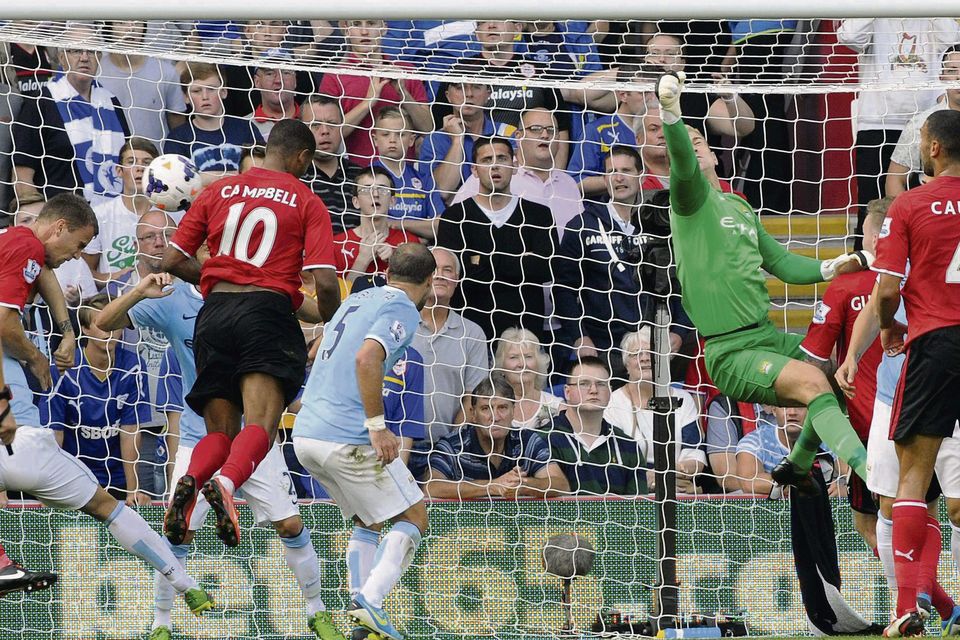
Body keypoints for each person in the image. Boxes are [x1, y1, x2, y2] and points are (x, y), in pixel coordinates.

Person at [96, 273, 346, 640]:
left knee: (290, 525)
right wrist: (137, 291)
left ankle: (316, 613)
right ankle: (160, 624)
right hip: (202, 436)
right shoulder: (173, 297)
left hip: (255, 438)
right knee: (177, 535)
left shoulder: (263, 287)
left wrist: (329, 328)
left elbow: (318, 313)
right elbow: (104, 322)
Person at [656, 72, 873, 493]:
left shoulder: (738, 205)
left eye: (700, 141)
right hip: (729, 350)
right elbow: (682, 160)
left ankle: (801, 459)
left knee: (847, 364)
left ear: (717, 156)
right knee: (813, 382)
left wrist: (832, 268)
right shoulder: (687, 202)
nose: (692, 146)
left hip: (767, 337)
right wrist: (672, 116)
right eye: (686, 143)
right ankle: (872, 474)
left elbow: (782, 264)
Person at [0, 193, 214, 615]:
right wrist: (35, 359)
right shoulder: (24, 245)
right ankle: (185, 584)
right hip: (25, 444)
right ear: (58, 227)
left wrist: (65, 330)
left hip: (16, 443)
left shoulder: (18, 245)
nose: (76, 256)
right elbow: (6, 323)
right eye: (78, 246)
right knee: (107, 507)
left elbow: (43, 273)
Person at [160, 118, 340, 549]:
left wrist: (226, 277)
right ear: (302, 157)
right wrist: (333, 318)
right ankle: (224, 484)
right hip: (266, 316)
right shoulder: (306, 199)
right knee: (261, 422)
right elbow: (327, 283)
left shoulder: (218, 189)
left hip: (216, 312)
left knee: (219, 431)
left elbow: (170, 258)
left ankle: (192, 478)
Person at [292, 243, 435, 640]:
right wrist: (376, 425)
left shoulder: (358, 297)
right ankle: (369, 602)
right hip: (345, 435)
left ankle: (361, 621)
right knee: (414, 516)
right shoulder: (403, 308)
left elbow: (319, 348)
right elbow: (367, 359)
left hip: (307, 435)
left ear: (387, 272)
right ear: (429, 282)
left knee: (368, 519)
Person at [872, 108, 960, 636]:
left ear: (932, 149)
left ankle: (907, 607)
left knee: (913, 476)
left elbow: (886, 290)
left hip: (937, 343)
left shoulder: (909, 203)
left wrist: (888, 328)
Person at [836, 282, 960, 634]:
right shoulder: (902, 247)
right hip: (894, 395)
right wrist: (853, 355)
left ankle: (931, 606)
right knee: (891, 505)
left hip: (946, 383)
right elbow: (881, 298)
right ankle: (906, 610)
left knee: (946, 505)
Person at [799, 197, 889, 549]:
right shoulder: (923, 278)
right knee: (922, 513)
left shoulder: (845, 287)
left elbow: (815, 360)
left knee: (869, 522)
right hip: (922, 415)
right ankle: (927, 595)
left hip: (866, 427)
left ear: (871, 239)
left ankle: (911, 599)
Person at [555, 146, 684, 376]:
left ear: (641, 175)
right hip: (604, 347)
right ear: (604, 178)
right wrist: (579, 337)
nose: (619, 177)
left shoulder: (664, 223)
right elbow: (564, 288)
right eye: (612, 171)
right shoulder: (582, 225)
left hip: (658, 343)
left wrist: (680, 331)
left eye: (626, 170)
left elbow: (685, 281)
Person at [836, 18, 960, 248]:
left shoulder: (932, 13)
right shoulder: (874, 13)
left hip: (930, 121)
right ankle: (867, 266)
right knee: (872, 204)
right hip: (878, 121)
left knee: (930, 199)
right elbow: (849, 37)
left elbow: (953, 39)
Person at [436, 136, 557, 341]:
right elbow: (459, 276)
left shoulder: (539, 215)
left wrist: (481, 260)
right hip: (469, 335)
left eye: (501, 158)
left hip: (525, 335)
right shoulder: (454, 217)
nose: (495, 166)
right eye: (486, 160)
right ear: (474, 169)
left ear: (514, 164)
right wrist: (521, 261)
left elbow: (547, 269)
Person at [48, 294, 151, 503]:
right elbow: (55, 433)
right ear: (85, 329)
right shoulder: (64, 367)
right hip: (74, 478)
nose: (109, 331)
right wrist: (50, 486)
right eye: (101, 324)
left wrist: (133, 490)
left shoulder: (134, 367)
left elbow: (130, 430)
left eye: (115, 324)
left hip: (118, 480)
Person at [12, 22, 129, 204]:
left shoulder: (111, 102)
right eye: (75, 50)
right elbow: (22, 174)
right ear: (61, 57)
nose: (84, 57)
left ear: (99, 57)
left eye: (91, 51)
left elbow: (127, 161)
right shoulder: (41, 102)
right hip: (60, 221)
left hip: (112, 217)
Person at [424, 375, 569, 499]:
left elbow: (561, 485)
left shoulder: (527, 440)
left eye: (502, 408)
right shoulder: (453, 445)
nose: (495, 417)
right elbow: (430, 487)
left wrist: (522, 484)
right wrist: (492, 486)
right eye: (485, 409)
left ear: (514, 411)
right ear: (473, 414)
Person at [453, 107, 583, 238]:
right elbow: (456, 223)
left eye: (551, 130)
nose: (545, 135)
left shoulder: (568, 183)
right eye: (536, 129)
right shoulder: (492, 175)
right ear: (518, 137)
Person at [319, 19, 431, 166]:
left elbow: (428, 128)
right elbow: (327, 134)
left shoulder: (406, 70)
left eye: (371, 23)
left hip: (401, 176)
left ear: (384, 28)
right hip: (354, 175)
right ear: (346, 30)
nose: (364, 31)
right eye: (357, 24)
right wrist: (367, 103)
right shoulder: (334, 76)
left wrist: (403, 93)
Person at [604, 329, 704, 493]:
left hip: (677, 485)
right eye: (636, 354)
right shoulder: (612, 403)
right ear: (626, 365)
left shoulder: (682, 400)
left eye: (651, 352)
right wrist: (646, 479)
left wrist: (669, 475)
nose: (644, 358)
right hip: (630, 490)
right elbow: (614, 459)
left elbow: (695, 453)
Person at [412, 247, 489, 442]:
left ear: (457, 279)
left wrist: (450, 445)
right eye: (434, 269)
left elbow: (472, 398)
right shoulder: (399, 325)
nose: (440, 276)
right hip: (393, 444)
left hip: (447, 448)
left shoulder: (472, 334)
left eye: (447, 270)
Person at [541, 357, 646, 496]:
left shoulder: (628, 445)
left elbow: (640, 509)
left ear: (610, 391)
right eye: (584, 384)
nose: (593, 390)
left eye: (601, 384)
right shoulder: (542, 439)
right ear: (567, 392)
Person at [418, 79, 510, 211]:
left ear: (488, 95)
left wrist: (458, 194)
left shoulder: (507, 133)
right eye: (460, 88)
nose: (469, 94)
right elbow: (442, 192)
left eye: (477, 86)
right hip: (453, 222)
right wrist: (457, 140)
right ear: (448, 96)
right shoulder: (433, 140)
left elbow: (511, 187)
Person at [164, 62, 264, 180]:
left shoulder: (246, 128)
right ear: (186, 97)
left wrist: (205, 178)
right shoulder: (178, 138)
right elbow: (177, 181)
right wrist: (234, 176)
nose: (205, 96)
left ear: (224, 92)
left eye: (211, 89)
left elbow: (262, 170)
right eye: (197, 91)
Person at [83, 137, 160, 287]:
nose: (140, 168)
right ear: (119, 171)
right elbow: (84, 272)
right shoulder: (99, 214)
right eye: (131, 162)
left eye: (147, 163)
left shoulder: (174, 214)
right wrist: (114, 277)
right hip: (114, 300)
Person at [886, 45, 960, 198]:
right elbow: (895, 179)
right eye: (952, 71)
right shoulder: (921, 123)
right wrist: (906, 217)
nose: (959, 78)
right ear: (942, 78)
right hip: (933, 213)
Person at [97, 20, 187, 142]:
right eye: (121, 23)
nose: (130, 29)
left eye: (137, 23)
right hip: (108, 158)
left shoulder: (165, 72)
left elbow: (178, 128)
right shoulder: (94, 73)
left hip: (156, 157)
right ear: (109, 28)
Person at [334, 166, 417, 285]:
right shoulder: (338, 244)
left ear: (393, 201)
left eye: (383, 189)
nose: (375, 194)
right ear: (355, 202)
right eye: (367, 190)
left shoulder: (409, 242)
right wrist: (362, 259)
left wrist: (396, 261)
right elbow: (340, 297)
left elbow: (417, 293)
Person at [299, 95, 364, 234]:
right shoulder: (292, 176)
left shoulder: (361, 177)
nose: (325, 131)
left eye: (332, 124)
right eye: (315, 125)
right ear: (302, 129)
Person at [370, 107, 434, 232]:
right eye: (385, 134)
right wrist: (420, 229)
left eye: (400, 134)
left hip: (420, 249)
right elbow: (372, 225)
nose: (392, 140)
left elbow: (438, 225)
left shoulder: (424, 178)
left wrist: (397, 224)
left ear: (411, 140)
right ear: (375, 139)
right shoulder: (366, 176)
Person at [493, 327, 563, 430]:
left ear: (538, 363)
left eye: (528, 357)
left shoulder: (556, 407)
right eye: (513, 357)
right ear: (501, 365)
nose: (522, 364)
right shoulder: (490, 405)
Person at [248, 50, 301, 139]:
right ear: (257, 82)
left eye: (286, 72)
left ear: (295, 80)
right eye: (269, 73)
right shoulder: (244, 126)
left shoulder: (313, 121)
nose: (278, 80)